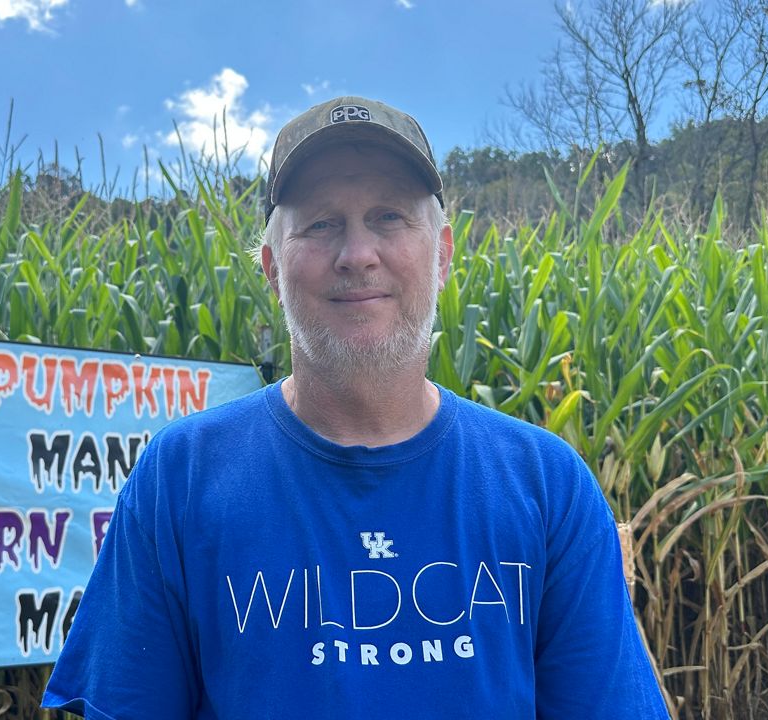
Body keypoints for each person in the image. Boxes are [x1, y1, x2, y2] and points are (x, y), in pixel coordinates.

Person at [43, 96, 669, 718]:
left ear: (444, 255)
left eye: (390, 217)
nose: (357, 254)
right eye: (320, 224)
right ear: (271, 267)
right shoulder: (178, 479)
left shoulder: (547, 484)